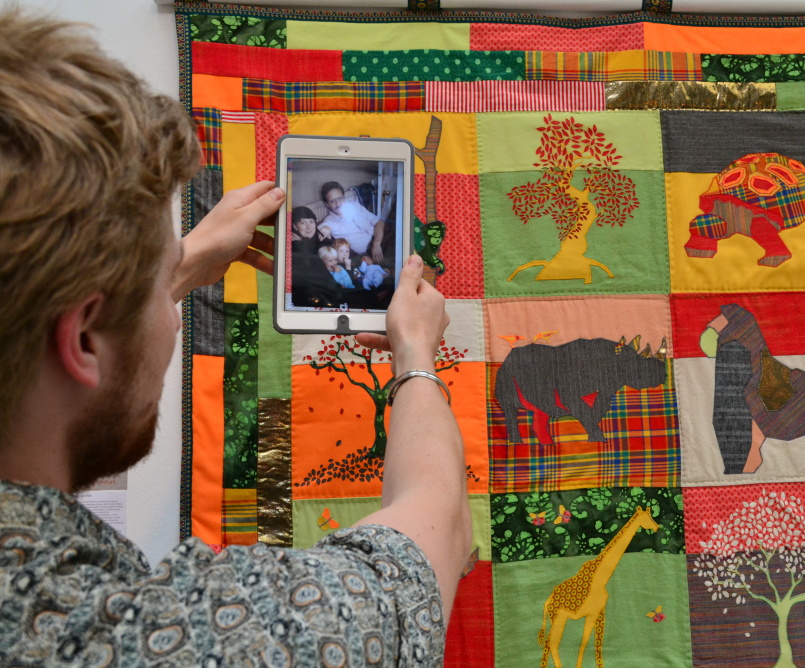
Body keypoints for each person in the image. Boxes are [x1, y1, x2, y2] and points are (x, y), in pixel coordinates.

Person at [0, 8, 471, 666]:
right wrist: (416, 356)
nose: (172, 312)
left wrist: (176, 265)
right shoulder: (188, 639)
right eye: (164, 291)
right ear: (80, 339)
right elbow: (435, 527)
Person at [318, 181, 386, 264]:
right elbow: (321, 228)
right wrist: (326, 228)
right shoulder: (330, 221)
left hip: (378, 240)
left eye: (340, 198)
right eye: (333, 201)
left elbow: (379, 222)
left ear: (344, 197)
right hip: (365, 254)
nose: (338, 204)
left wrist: (377, 244)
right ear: (327, 204)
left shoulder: (355, 206)